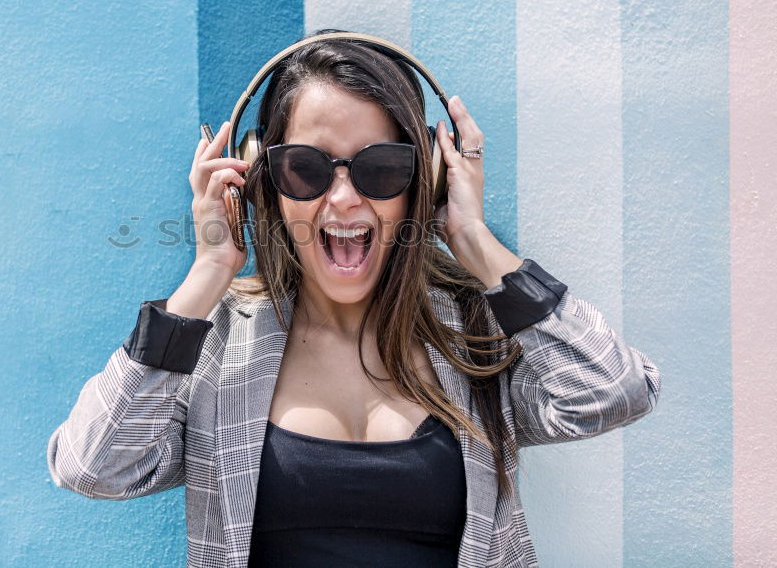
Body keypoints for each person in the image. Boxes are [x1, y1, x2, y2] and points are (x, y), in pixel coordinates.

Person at [46, 31, 662, 567]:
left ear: (424, 178)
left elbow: (614, 391)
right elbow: (92, 466)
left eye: (381, 167)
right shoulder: (212, 344)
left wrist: (475, 240)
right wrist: (208, 270)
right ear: (261, 179)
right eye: (306, 168)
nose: (342, 199)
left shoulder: (474, 335)